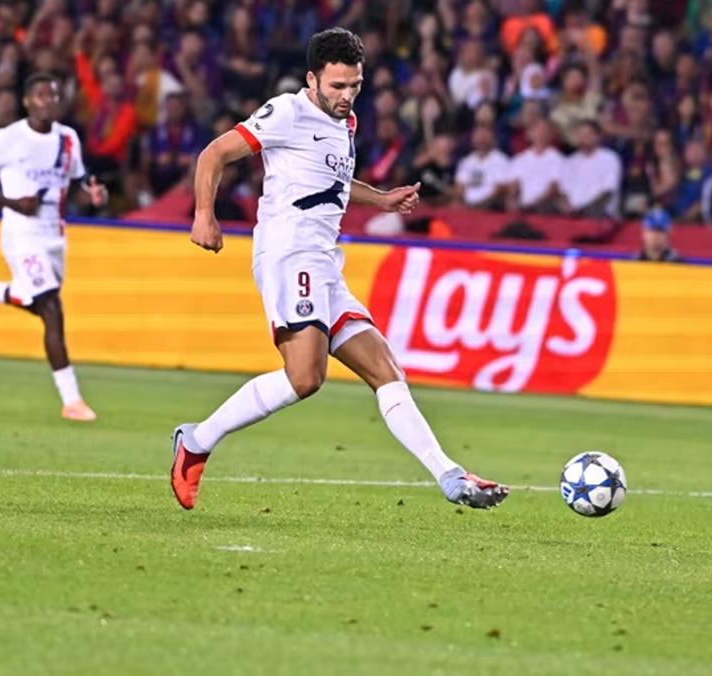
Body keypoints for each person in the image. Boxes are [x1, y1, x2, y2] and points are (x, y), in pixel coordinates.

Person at [171, 28, 509, 512]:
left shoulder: (343, 125)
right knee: (305, 378)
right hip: (290, 255)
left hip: (325, 261)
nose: (348, 96)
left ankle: (450, 474)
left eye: (355, 85)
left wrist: (382, 197)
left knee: (387, 370)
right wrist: (205, 214)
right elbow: (214, 153)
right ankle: (196, 443)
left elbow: (332, 180)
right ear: (312, 79)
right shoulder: (287, 111)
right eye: (337, 86)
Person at [0, 73, 109, 422]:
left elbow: (74, 184)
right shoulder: (6, 138)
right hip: (21, 233)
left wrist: (91, 196)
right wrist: (11, 202)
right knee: (51, 308)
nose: (47, 101)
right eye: (41, 95)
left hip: (54, 235)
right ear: (27, 101)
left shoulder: (68, 139)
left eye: (53, 95)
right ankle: (71, 400)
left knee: (40, 304)